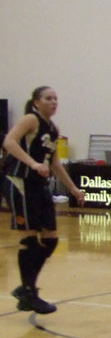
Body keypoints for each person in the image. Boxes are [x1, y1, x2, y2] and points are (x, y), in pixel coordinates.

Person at [2, 86, 86, 314]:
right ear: (37, 102)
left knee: (50, 240)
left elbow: (55, 163)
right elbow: (9, 142)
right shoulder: (30, 119)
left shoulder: (54, 128)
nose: (53, 102)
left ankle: (25, 288)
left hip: (38, 186)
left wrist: (74, 189)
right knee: (29, 238)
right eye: (48, 98)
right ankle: (30, 292)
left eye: (56, 98)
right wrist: (33, 164)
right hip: (19, 180)